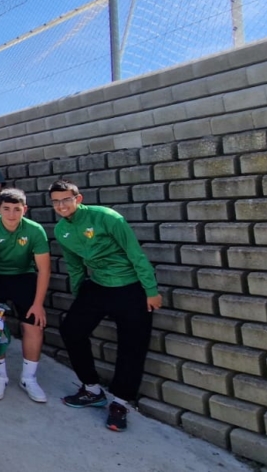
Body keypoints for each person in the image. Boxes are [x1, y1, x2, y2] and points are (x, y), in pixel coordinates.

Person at [52, 180, 161, 432]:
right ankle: (91, 389)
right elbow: (75, 266)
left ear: (78, 199)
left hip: (130, 286)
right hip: (98, 285)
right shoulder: (61, 230)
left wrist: (151, 290)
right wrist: (80, 296)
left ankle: (120, 404)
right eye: (56, 201)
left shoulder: (107, 217)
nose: (61, 205)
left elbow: (135, 253)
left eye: (65, 199)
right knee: (71, 330)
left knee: (132, 346)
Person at [0, 188, 50, 403]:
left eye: (16, 209)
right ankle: (0, 376)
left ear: (24, 210)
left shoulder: (35, 230)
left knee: (34, 324)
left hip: (23, 276)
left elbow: (44, 269)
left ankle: (29, 378)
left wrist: (38, 304)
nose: (11, 214)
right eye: (6, 209)